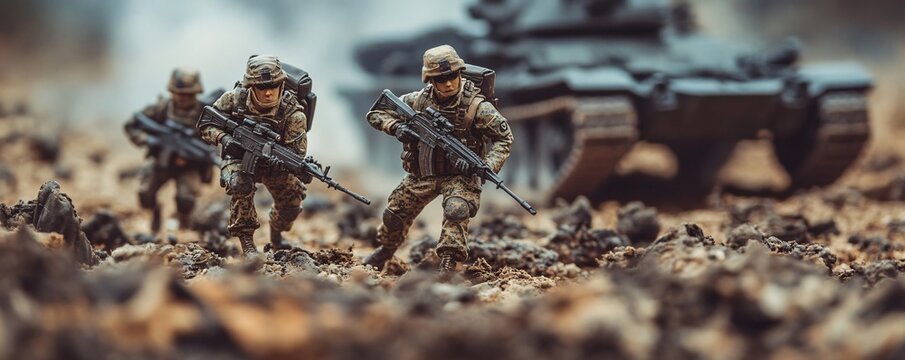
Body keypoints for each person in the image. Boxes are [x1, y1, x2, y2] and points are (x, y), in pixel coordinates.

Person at [363, 45, 514, 273]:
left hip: (459, 177)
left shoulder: (477, 108)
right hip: (423, 173)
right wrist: (395, 127)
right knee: (394, 213)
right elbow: (375, 113)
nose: (449, 83)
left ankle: (448, 261)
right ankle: (386, 249)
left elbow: (504, 138)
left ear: (460, 73)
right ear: (430, 80)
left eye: (453, 76)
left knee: (456, 209)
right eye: (441, 78)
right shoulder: (417, 102)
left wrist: (483, 167)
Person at [198, 55, 308, 256]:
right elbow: (206, 124)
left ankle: (276, 235)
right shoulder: (234, 99)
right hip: (238, 158)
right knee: (240, 184)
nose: (268, 92)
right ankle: (247, 242)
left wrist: (283, 163)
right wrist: (224, 139)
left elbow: (297, 154)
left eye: (274, 86)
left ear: (281, 84)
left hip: (275, 163)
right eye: (261, 87)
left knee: (292, 201)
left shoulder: (294, 113)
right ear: (250, 86)